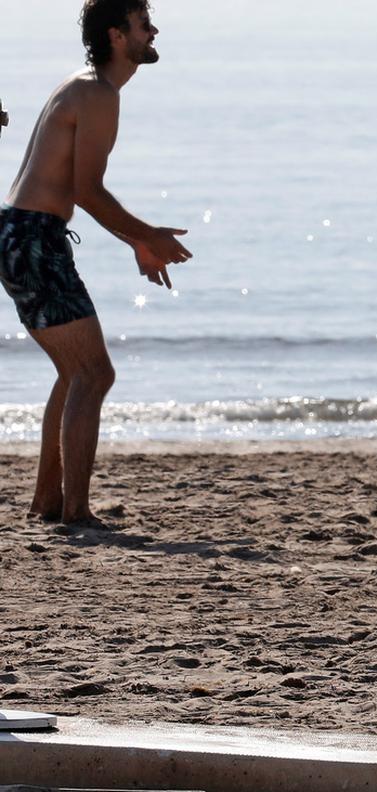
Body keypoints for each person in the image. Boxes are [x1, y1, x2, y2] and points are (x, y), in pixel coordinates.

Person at [2, 0, 192, 524]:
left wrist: (136, 241)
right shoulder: (97, 94)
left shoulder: (84, 86)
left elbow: (76, 189)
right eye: (142, 24)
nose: (153, 31)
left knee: (74, 373)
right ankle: (76, 512)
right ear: (116, 36)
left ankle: (48, 501)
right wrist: (146, 233)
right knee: (95, 373)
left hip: (25, 236)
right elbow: (87, 190)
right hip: (33, 239)